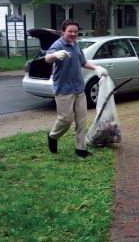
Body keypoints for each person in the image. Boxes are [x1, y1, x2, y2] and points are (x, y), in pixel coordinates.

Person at [45, 19, 108, 158]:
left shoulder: (76, 44)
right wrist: (55, 55)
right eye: (70, 31)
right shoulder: (58, 44)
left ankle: (80, 148)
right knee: (65, 120)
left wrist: (97, 68)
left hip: (78, 88)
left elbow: (83, 62)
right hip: (63, 89)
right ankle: (53, 136)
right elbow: (47, 59)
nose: (73, 34)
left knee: (81, 120)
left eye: (75, 31)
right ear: (63, 32)